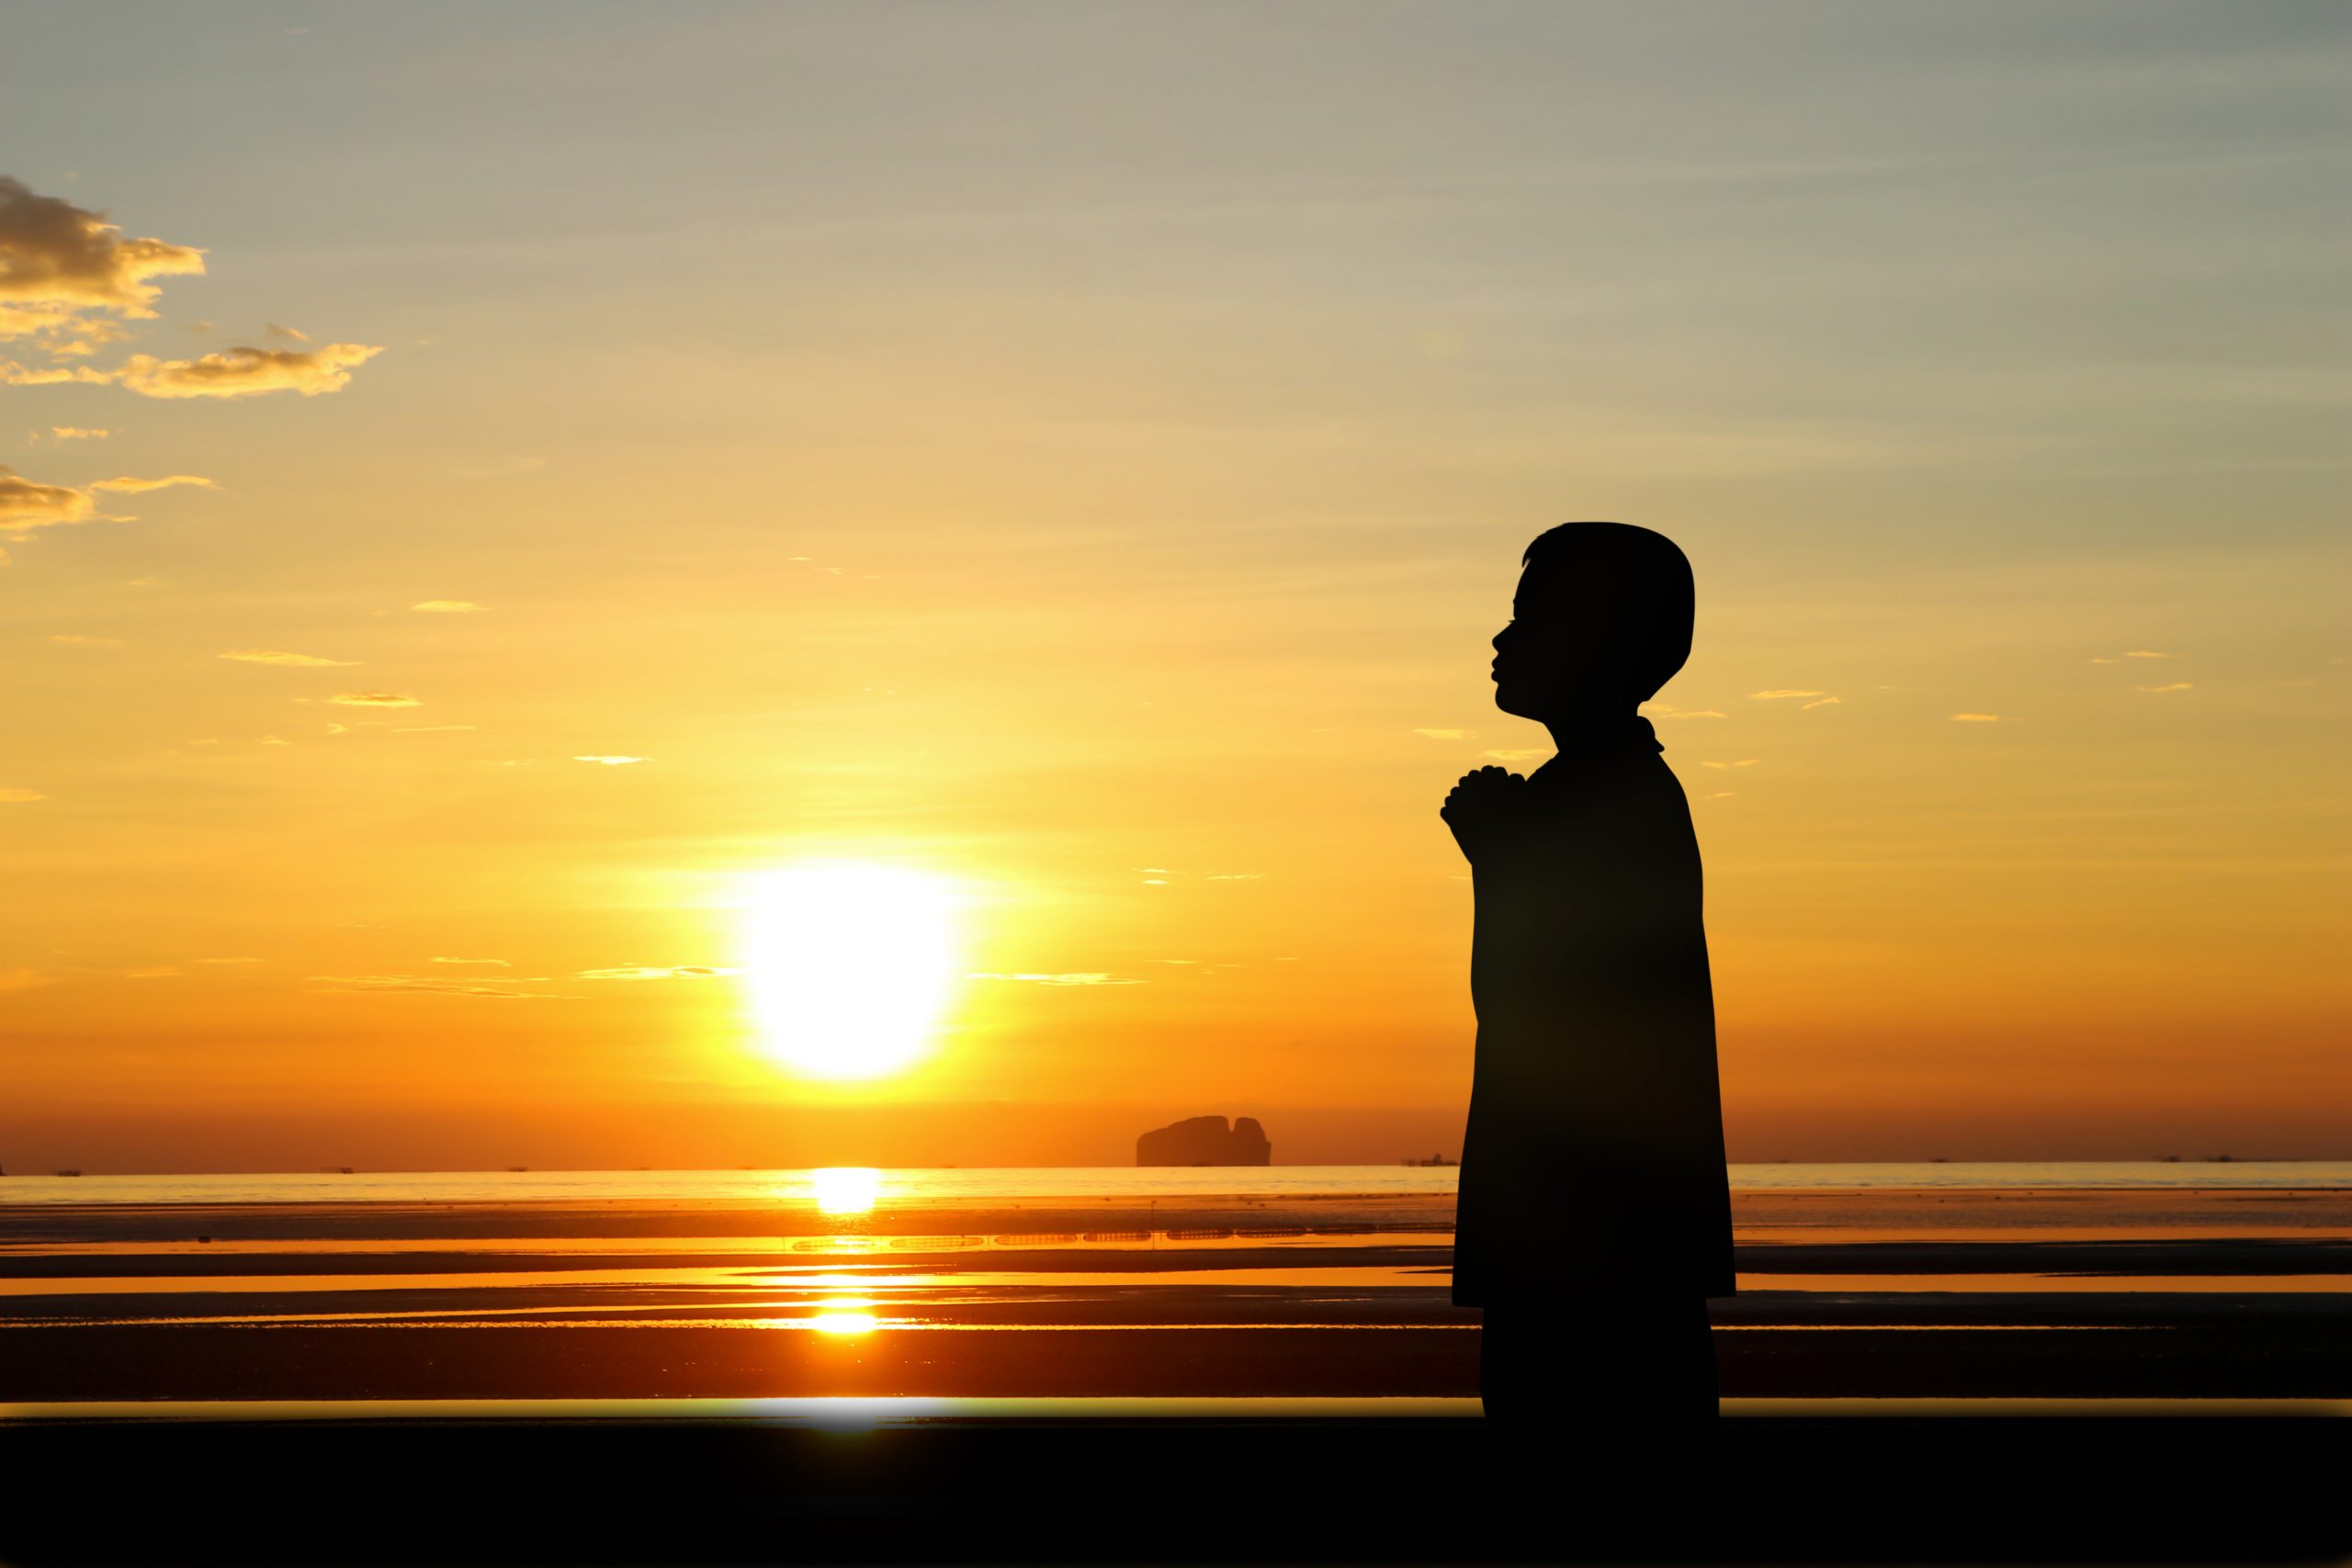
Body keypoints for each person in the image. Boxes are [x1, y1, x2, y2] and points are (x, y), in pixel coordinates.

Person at [1440, 521, 1734, 1430]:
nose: (1503, 638)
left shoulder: (1603, 799)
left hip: (1584, 1214)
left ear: (1592, 639)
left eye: (1530, 617)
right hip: (1604, 1211)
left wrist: (1499, 856)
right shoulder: (1608, 790)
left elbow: (1534, 1008)